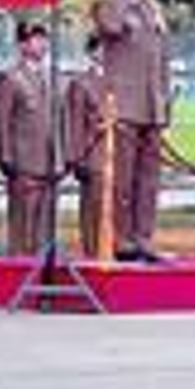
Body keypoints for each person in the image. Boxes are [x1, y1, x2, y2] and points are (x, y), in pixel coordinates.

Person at [93, 0, 171, 263]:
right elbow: (110, 27)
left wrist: (165, 101)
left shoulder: (154, 9)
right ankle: (121, 239)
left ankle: (144, 237)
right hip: (124, 106)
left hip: (152, 104)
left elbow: (162, 58)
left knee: (149, 180)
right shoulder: (111, 3)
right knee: (122, 180)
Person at [0, 22, 56, 256]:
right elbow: (2, 119)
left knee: (43, 226)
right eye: (35, 39)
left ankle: (39, 274)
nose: (42, 44)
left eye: (43, 39)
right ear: (22, 45)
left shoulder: (49, 77)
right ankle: (20, 268)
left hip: (47, 161)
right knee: (22, 223)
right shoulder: (11, 78)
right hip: (23, 160)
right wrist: (5, 155)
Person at [65, 40, 109, 259]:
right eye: (102, 47)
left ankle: (111, 249)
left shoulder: (119, 80)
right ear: (92, 52)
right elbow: (74, 123)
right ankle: (91, 251)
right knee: (92, 206)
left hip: (117, 155)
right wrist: (76, 158)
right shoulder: (81, 82)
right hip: (93, 154)